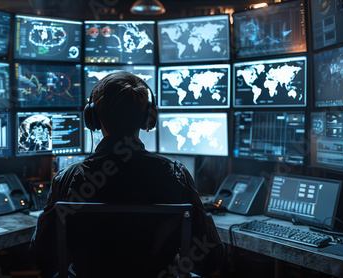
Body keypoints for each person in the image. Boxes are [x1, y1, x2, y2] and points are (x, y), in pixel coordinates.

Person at [30, 71, 224, 277]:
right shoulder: (177, 175)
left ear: (93, 118)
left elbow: (43, 257)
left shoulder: (67, 178)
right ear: (148, 119)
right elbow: (209, 258)